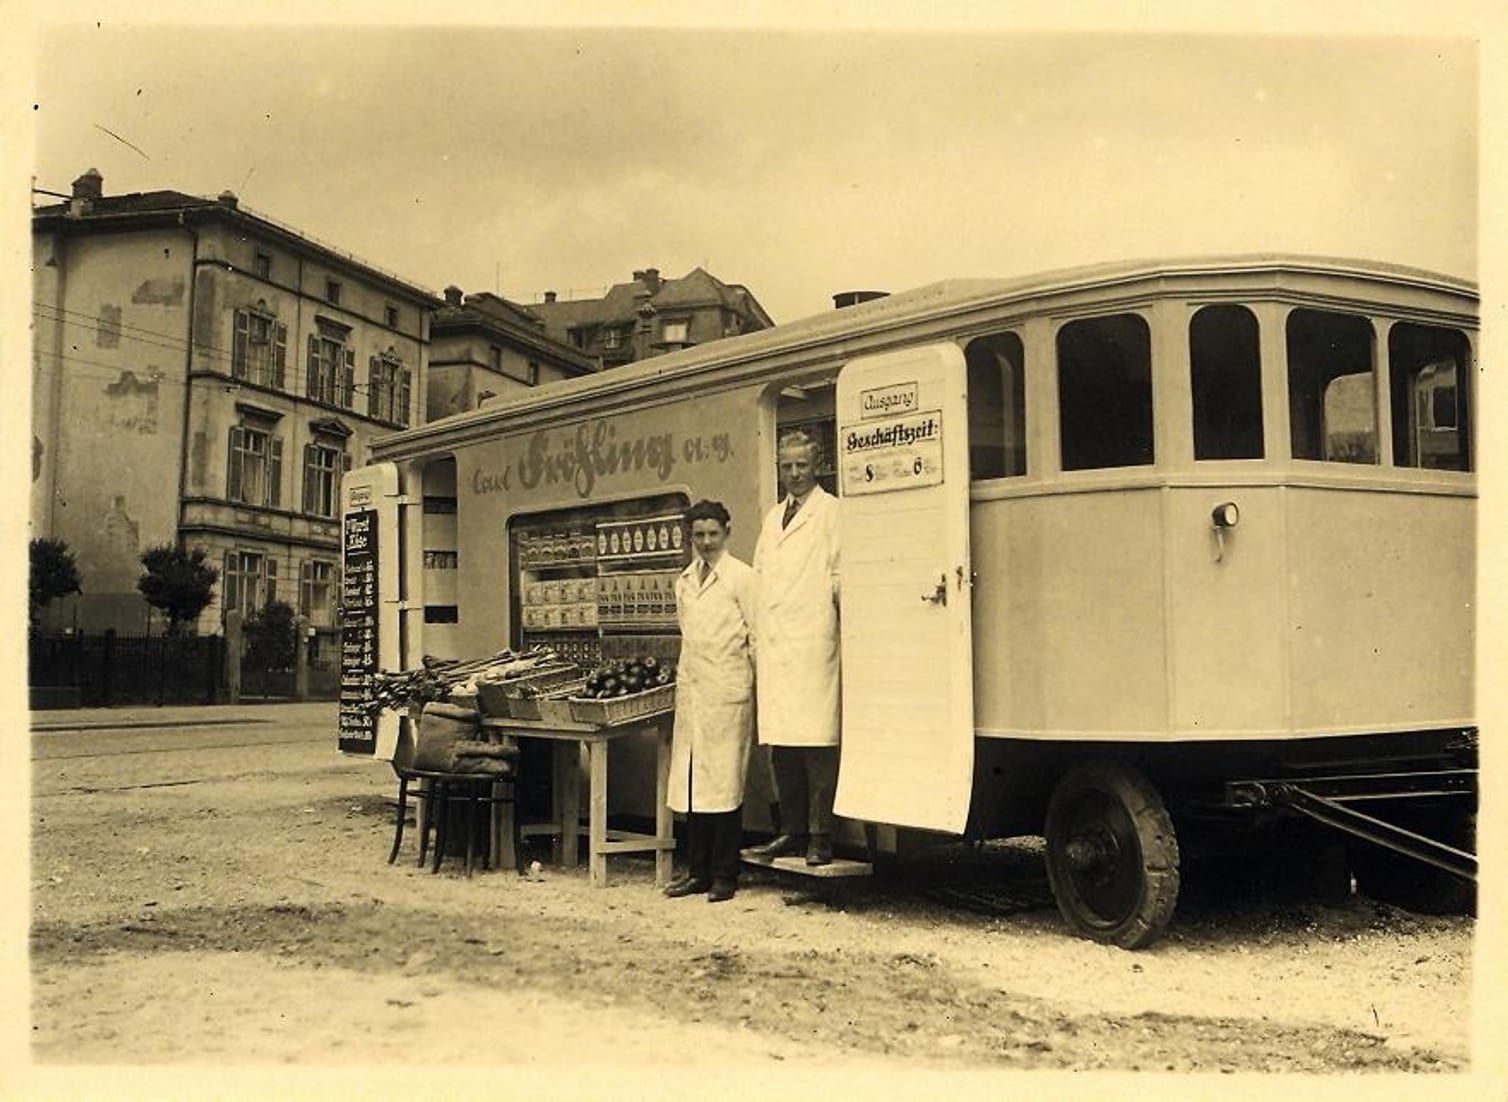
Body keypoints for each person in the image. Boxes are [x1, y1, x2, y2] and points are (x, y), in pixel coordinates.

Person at [750, 428, 841, 866]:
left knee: (818, 746)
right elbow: (760, 579)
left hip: (813, 645)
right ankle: (791, 831)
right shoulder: (772, 519)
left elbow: (842, 578)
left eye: (802, 465)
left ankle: (821, 836)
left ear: (818, 464)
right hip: (777, 648)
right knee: (782, 746)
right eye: (786, 467)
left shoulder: (833, 513)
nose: (794, 474)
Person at [664, 499, 758, 903]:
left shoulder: (743, 579)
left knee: (724, 785)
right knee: (692, 786)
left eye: (712, 534)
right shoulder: (684, 581)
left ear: (727, 532)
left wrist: (756, 686)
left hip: (727, 692)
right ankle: (696, 872)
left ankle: (725, 877)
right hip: (695, 692)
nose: (705, 542)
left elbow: (758, 637)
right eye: (698, 535)